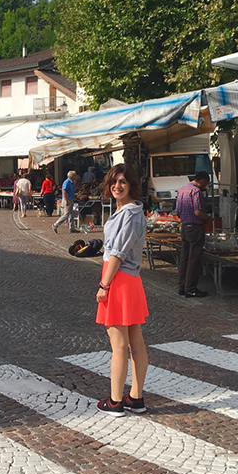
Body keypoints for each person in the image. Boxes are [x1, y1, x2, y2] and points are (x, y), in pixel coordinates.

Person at [95, 164, 150, 416]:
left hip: (118, 279)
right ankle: (135, 397)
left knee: (119, 345)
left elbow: (117, 253)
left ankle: (116, 400)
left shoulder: (128, 213)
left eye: (123, 182)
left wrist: (104, 284)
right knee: (135, 342)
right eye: (114, 182)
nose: (117, 186)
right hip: (131, 280)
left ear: (131, 185)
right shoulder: (132, 211)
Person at [176, 171, 211, 298]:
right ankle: (190, 288)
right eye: (206, 183)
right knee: (194, 259)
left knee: (184, 257)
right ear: (202, 181)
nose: (205, 186)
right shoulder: (196, 192)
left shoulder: (181, 190)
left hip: (185, 226)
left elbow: (178, 211)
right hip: (196, 227)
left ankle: (182, 286)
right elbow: (198, 212)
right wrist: (208, 218)